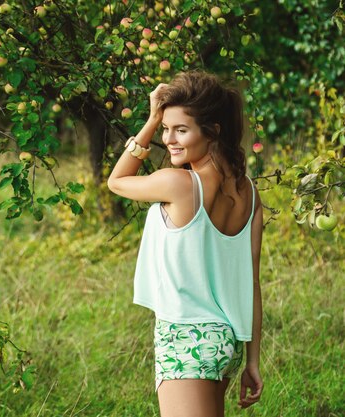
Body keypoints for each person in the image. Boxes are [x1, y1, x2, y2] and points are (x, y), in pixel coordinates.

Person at [107, 71, 264, 416]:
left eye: (181, 129)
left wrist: (149, 120)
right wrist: (251, 360)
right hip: (227, 339)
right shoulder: (248, 193)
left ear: (212, 132)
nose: (169, 139)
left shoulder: (180, 184)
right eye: (165, 128)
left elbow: (117, 181)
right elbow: (252, 282)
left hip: (187, 335)